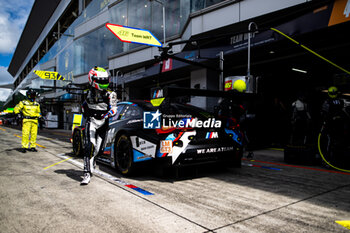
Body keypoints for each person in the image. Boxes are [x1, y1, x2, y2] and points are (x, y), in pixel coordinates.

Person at [81, 66, 118, 185]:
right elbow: (83, 106)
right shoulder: (85, 92)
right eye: (101, 81)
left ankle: (93, 161)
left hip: (103, 122)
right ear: (92, 79)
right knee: (89, 147)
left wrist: (107, 115)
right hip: (91, 121)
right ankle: (86, 173)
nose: (104, 83)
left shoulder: (111, 94)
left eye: (105, 80)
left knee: (99, 150)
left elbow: (114, 109)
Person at [14, 89, 42, 153]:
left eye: (34, 95)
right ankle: (24, 147)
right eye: (32, 95)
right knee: (25, 134)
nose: (33, 96)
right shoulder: (23, 103)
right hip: (26, 120)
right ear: (28, 95)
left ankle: (32, 147)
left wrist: (40, 116)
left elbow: (38, 112)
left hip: (35, 121)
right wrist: (18, 113)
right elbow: (16, 108)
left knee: (34, 134)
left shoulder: (37, 104)